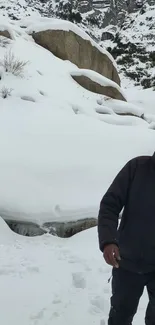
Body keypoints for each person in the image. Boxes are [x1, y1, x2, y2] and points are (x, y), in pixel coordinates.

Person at [98, 153, 155, 325]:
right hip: (128, 262)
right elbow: (110, 204)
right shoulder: (137, 167)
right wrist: (108, 241)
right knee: (120, 317)